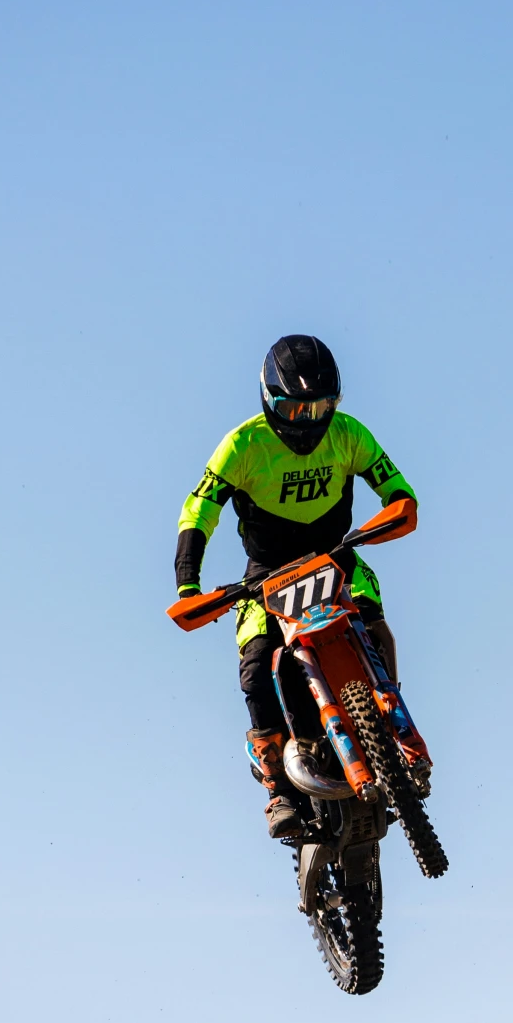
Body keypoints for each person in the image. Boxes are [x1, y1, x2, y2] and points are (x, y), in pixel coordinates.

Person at [175, 335, 418, 839]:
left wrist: (396, 510)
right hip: (266, 575)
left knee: (373, 619)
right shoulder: (242, 445)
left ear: (338, 401)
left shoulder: (350, 434)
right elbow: (199, 510)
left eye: (321, 406)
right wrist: (188, 585)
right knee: (256, 666)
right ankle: (278, 791)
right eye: (294, 406)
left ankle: (392, 725)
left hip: (337, 559)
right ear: (268, 398)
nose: (308, 418)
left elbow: (399, 492)